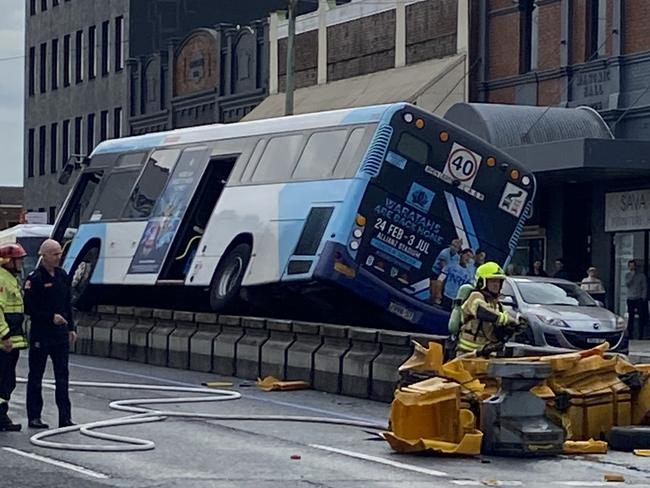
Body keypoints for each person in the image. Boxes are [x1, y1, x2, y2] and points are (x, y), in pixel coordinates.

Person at [24, 239, 77, 429]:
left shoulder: (62, 276)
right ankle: (34, 416)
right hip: (41, 333)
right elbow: (29, 308)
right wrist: (49, 317)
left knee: (62, 375)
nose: (58, 257)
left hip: (60, 335)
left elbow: (67, 304)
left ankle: (65, 416)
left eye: (59, 253)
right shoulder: (35, 279)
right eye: (54, 254)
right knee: (36, 375)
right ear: (44, 255)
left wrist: (71, 328)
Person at [456, 262, 524, 356]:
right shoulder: (475, 296)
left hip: (487, 355)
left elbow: (504, 319)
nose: (496, 285)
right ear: (481, 282)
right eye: (493, 281)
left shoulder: (497, 304)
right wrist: (506, 319)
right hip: (466, 354)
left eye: (498, 281)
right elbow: (482, 311)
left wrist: (515, 324)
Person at [0, 244, 29, 432]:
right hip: (5, 342)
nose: (21, 263)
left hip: (11, 340)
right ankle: (1, 418)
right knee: (3, 380)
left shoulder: (11, 278)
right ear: (8, 261)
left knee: (7, 380)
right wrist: (4, 335)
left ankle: (2, 416)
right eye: (18, 259)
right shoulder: (3, 280)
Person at [625, 259, 648, 340]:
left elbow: (644, 287)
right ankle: (630, 334)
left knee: (641, 317)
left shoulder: (641, 276)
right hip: (630, 298)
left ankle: (640, 335)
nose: (631, 267)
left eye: (633, 265)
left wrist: (643, 297)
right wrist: (632, 275)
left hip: (639, 298)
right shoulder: (627, 275)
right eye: (630, 266)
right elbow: (627, 284)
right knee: (630, 317)